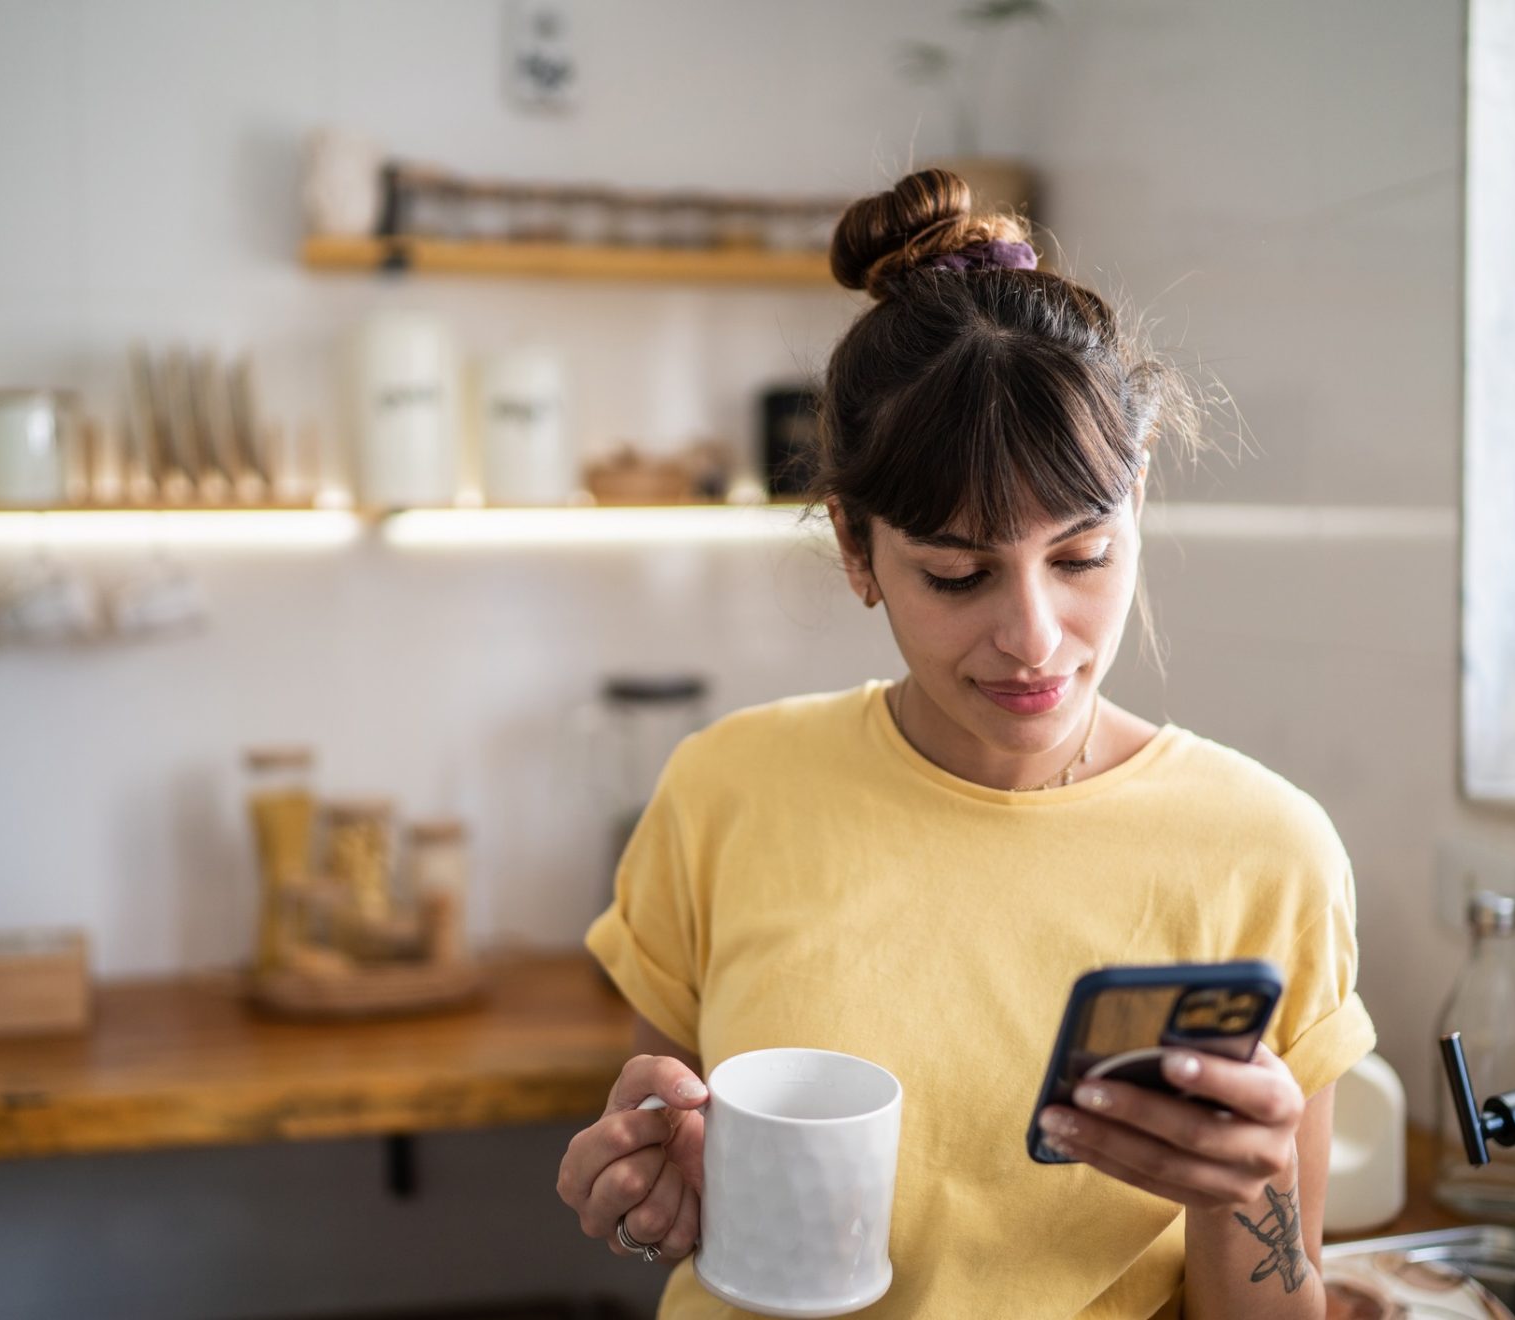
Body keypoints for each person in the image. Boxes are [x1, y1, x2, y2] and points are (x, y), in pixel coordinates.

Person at [556, 168, 1375, 1319]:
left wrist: (1246, 1195)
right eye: (957, 572)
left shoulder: (1267, 852)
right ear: (855, 547)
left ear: (1137, 502)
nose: (1035, 638)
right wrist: (652, 1186)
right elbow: (670, 1146)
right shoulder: (725, 790)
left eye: (1083, 557)